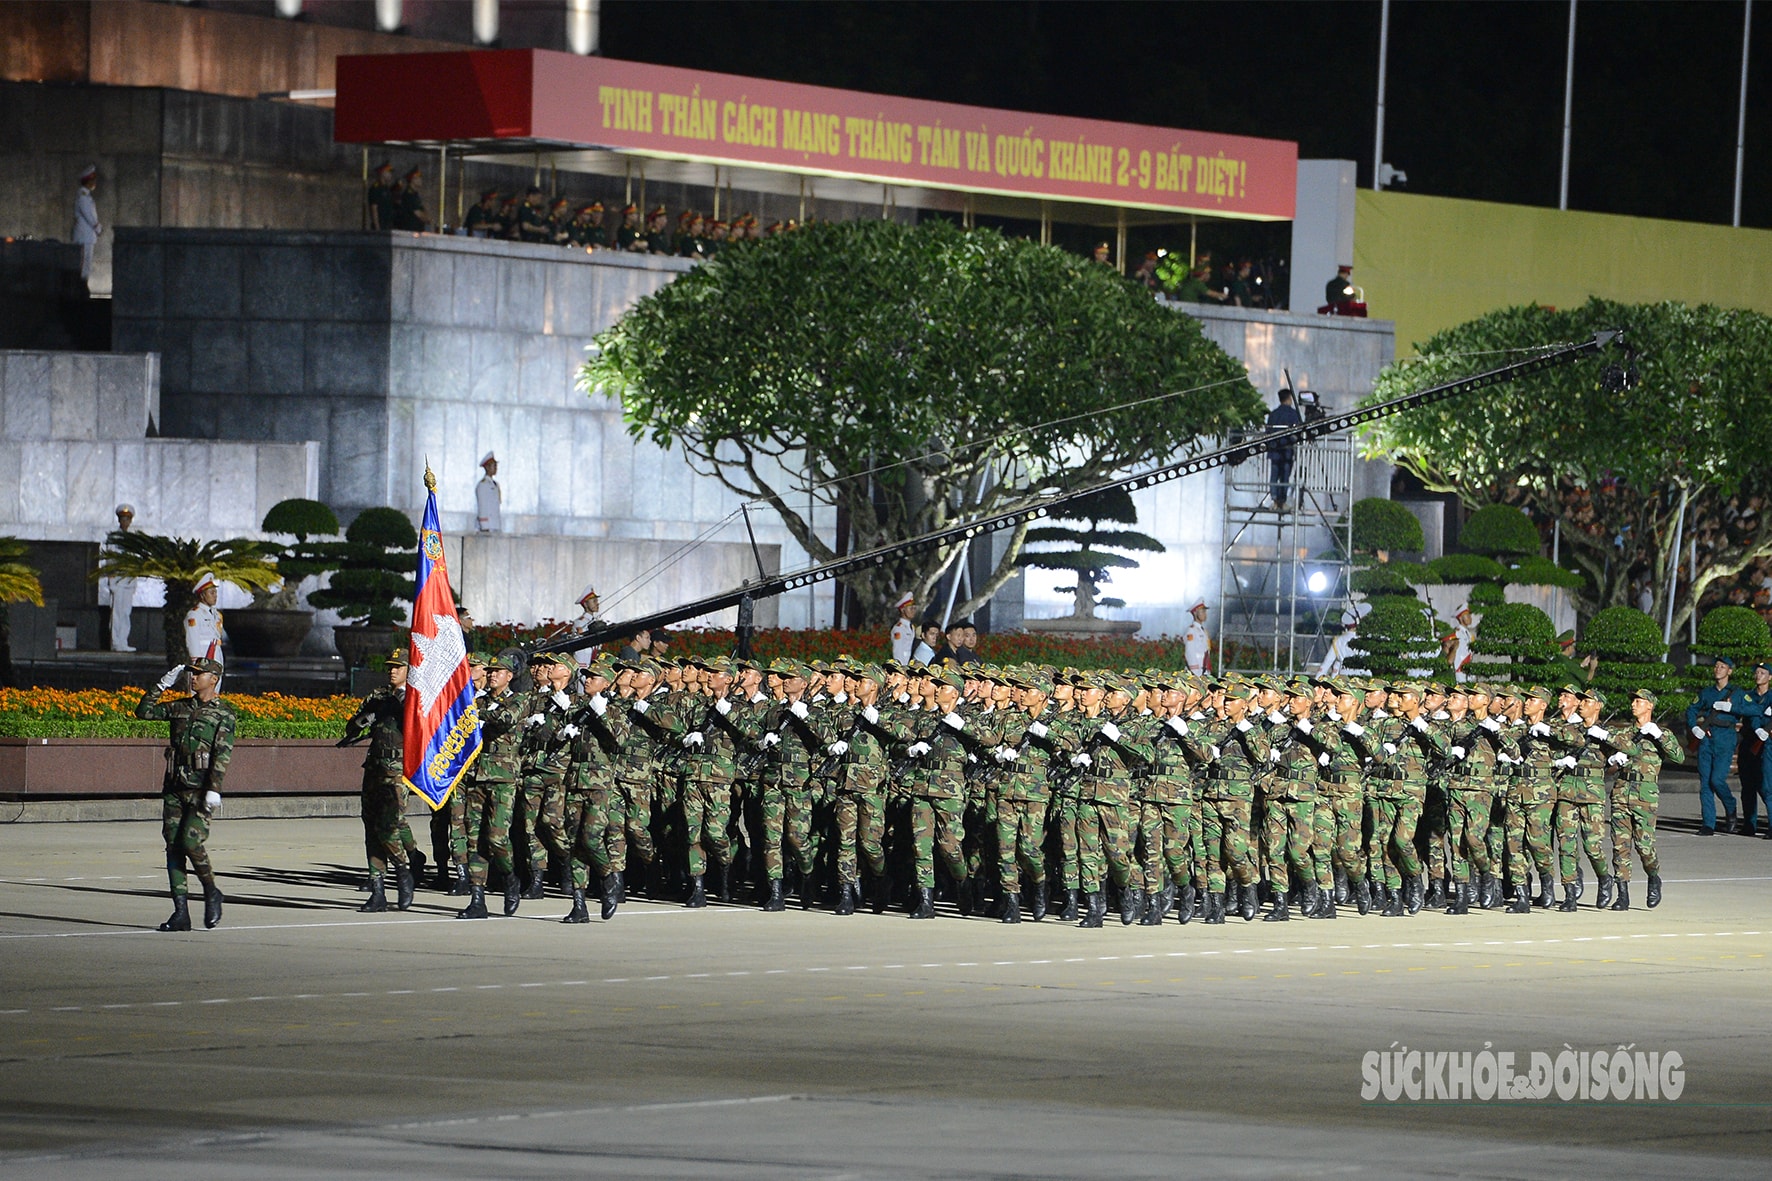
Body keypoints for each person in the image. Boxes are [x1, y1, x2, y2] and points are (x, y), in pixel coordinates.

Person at [135, 657, 234, 932]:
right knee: (173, 847)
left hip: (201, 791)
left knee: (191, 842)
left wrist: (215, 789)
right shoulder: (180, 707)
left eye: (199, 674)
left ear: (213, 679)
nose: (193, 678)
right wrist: (162, 684)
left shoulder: (223, 713)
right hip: (175, 788)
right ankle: (181, 913)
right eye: (191, 674)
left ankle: (211, 890)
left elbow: (222, 754)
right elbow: (143, 712)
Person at [343, 649, 414, 912]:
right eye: (390, 666)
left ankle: (404, 870)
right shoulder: (378, 696)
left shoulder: (416, 698)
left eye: (398, 667)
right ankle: (378, 891)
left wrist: (398, 704)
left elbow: (419, 726)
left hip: (398, 769)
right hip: (374, 765)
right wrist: (366, 718)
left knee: (388, 827)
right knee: (371, 828)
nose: (392, 670)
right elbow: (353, 726)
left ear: (410, 669)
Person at [1687, 657, 1746, 836]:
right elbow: (1691, 709)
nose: (1718, 669)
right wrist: (1694, 726)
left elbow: (1751, 710)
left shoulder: (1737, 693)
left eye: (1722, 667)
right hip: (1707, 737)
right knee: (1705, 783)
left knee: (1717, 780)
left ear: (1730, 671)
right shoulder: (1706, 693)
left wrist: (1732, 708)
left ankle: (1730, 805)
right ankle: (1708, 824)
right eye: (1716, 666)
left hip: (1726, 738)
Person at [103, 503, 138, 652]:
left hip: (128, 580)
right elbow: (110, 560)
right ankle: (116, 642)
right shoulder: (114, 537)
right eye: (123, 519)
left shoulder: (133, 538)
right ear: (119, 520)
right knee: (117, 613)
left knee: (125, 613)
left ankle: (123, 641)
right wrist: (111, 579)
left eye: (127, 519)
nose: (125, 522)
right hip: (117, 580)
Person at [1265, 388, 1303, 510]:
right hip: (1287, 451)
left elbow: (1268, 431)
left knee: (1274, 475)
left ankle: (1275, 500)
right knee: (1285, 476)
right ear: (1289, 398)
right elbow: (1298, 432)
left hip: (1274, 451)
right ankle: (1283, 501)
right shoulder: (1293, 414)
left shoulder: (1273, 414)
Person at [185, 573, 226, 669]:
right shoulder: (194, 615)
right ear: (203, 595)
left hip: (216, 654)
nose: (215, 596)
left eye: (215, 592)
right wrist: (197, 662)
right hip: (204, 654)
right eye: (211, 593)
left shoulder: (217, 614)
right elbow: (192, 639)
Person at [72, 165, 101, 290]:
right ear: (87, 181)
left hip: (87, 236)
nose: (94, 183)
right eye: (92, 180)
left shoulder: (86, 195)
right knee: (83, 264)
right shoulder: (83, 196)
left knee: (86, 263)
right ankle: (81, 287)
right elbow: (88, 215)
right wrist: (97, 227)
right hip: (84, 236)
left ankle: (82, 285)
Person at [1441, 603, 1475, 682]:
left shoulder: (1469, 634)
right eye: (1467, 615)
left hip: (1468, 670)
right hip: (1460, 670)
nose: (1470, 617)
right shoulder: (1456, 633)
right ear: (1460, 618)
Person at [475, 452, 502, 532]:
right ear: (487, 467)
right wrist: (484, 526)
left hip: (495, 524)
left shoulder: (495, 484)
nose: (496, 468)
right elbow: (482, 506)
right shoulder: (483, 485)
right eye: (494, 465)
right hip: (487, 526)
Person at [1183, 600, 1211, 675]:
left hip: (1204, 670)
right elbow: (1190, 651)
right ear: (1195, 613)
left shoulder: (1203, 631)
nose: (1205, 614)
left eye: (1205, 611)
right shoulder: (1191, 631)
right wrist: (1195, 672)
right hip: (1196, 671)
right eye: (1202, 611)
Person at [366, 162, 397, 229]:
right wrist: (377, 227)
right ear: (382, 173)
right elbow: (374, 209)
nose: (390, 175)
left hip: (388, 224)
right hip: (381, 225)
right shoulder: (375, 189)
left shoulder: (387, 188)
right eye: (388, 172)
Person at [889, 591, 917, 663]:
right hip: (903, 665)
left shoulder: (912, 627)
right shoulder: (899, 629)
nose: (913, 611)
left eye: (914, 608)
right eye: (910, 608)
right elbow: (897, 652)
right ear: (902, 610)